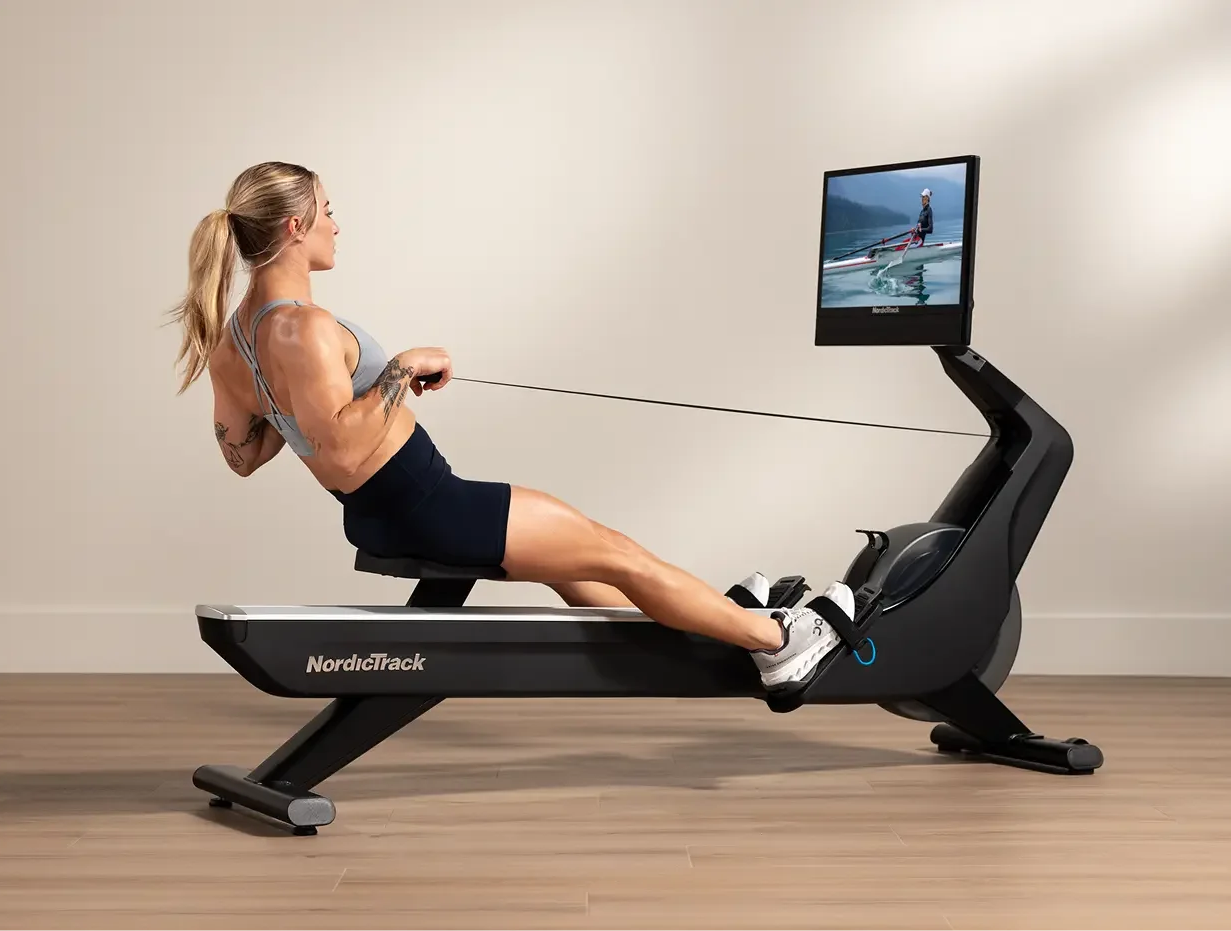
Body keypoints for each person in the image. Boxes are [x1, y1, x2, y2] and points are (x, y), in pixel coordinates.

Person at [170, 161, 855, 694]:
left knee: (575, 565)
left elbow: (244, 455)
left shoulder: (233, 342)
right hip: (431, 508)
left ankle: (715, 624)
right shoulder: (305, 327)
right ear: (295, 227)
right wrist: (402, 368)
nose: (336, 225)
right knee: (618, 553)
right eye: (327, 211)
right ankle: (778, 644)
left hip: (382, 516)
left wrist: (292, 406)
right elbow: (344, 450)